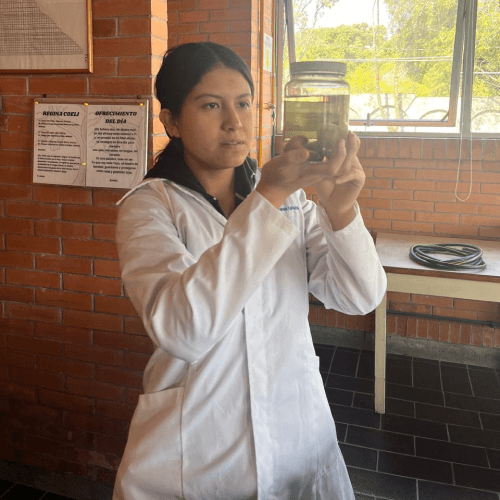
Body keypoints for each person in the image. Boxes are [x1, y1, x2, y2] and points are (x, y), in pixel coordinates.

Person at [113, 42, 386, 500]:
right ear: (172, 122)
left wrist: (340, 210)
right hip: (200, 456)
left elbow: (359, 297)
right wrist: (267, 200)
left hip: (297, 434)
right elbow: (184, 329)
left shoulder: (288, 198)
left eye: (243, 103)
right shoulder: (149, 207)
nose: (234, 122)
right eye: (210, 105)